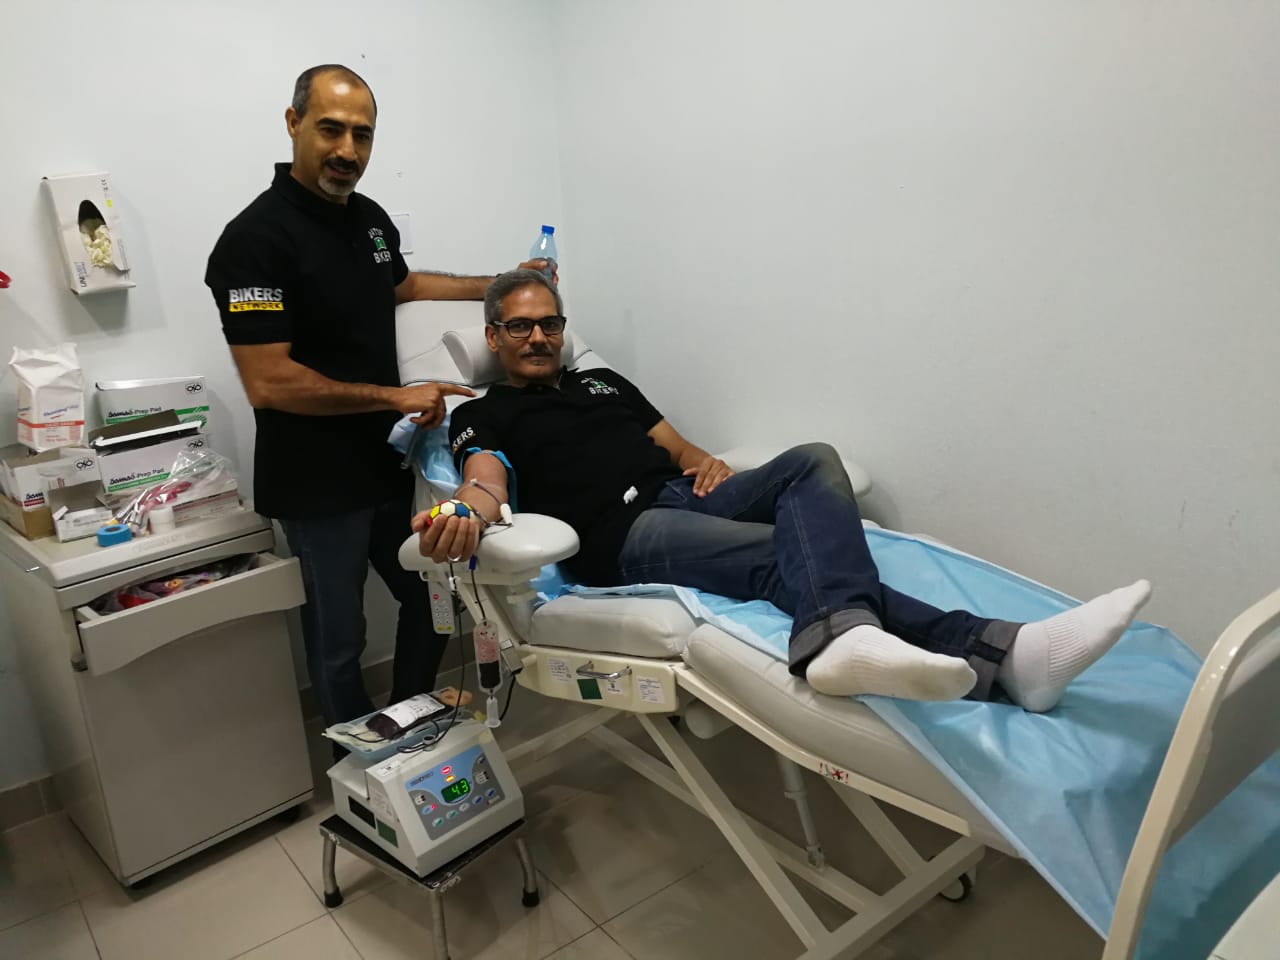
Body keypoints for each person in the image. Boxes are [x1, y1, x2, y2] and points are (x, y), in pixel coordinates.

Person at [413, 270, 1152, 711]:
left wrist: (708, 465)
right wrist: (460, 514)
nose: (538, 338)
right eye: (520, 327)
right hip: (620, 536)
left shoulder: (605, 382)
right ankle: (1005, 653)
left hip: (684, 497)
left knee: (813, 460)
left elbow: (682, 449)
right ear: (494, 337)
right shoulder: (483, 411)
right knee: (781, 554)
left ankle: (843, 630)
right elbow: (483, 485)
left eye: (549, 324)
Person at [205, 66, 553, 730]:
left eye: (361, 135)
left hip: (386, 467)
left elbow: (404, 284)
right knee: (340, 637)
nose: (347, 150)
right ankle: (356, 753)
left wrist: (504, 284)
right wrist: (394, 396)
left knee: (432, 595)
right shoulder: (254, 241)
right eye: (330, 129)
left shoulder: (367, 220)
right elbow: (269, 381)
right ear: (293, 124)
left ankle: (407, 719)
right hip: (315, 483)